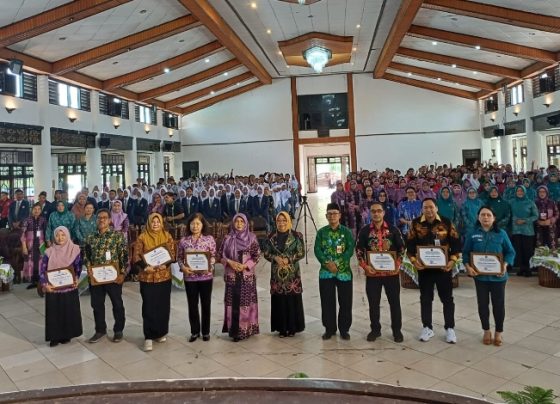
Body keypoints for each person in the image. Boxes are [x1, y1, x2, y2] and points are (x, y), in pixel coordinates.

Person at [406, 198, 461, 344]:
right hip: (424, 269)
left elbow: (456, 244)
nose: (429, 210)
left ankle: (450, 328)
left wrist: (452, 261)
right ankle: (427, 327)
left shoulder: (447, 222)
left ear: (436, 208)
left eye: (431, 207)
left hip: (444, 268)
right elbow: (410, 247)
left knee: (447, 299)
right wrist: (414, 261)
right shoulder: (416, 223)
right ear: (422, 209)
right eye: (425, 208)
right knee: (425, 298)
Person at [463, 207, 515, 347]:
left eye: (488, 215)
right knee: (483, 305)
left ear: (494, 218)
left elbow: (510, 252)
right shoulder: (472, 234)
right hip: (480, 278)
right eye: (482, 215)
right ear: (478, 217)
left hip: (498, 277)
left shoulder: (502, 234)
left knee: (498, 305)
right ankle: (486, 330)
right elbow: (465, 253)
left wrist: (504, 265)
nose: (485, 217)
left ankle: (498, 332)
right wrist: (468, 267)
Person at [356, 202, 405, 343]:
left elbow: (402, 248)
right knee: (373, 303)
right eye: (373, 211)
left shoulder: (393, 230)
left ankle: (397, 331)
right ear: (370, 213)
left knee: (394, 303)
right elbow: (359, 251)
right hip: (373, 274)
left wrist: (397, 264)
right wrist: (365, 266)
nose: (376, 213)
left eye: (379, 211)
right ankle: (375, 330)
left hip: (391, 274)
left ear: (383, 213)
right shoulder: (364, 231)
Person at [84, 209, 128, 343]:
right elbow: (86, 256)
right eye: (99, 218)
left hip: (113, 277)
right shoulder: (90, 237)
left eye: (104, 218)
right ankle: (100, 330)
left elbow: (124, 256)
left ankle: (118, 330)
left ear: (110, 220)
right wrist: (89, 268)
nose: (101, 220)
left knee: (117, 303)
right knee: (96, 304)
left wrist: (123, 273)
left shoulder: (117, 236)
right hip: (96, 279)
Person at [133, 212, 175, 352]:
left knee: (162, 306)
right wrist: (146, 267)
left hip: (163, 277)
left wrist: (166, 265)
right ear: (149, 223)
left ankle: (160, 332)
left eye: (158, 222)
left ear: (161, 223)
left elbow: (172, 254)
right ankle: (148, 337)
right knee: (149, 306)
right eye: (153, 222)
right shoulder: (142, 237)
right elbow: (136, 257)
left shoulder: (167, 236)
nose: (155, 224)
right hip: (147, 278)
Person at [314, 203, 355, 340]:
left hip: (344, 273)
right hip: (326, 273)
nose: (332, 216)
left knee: (345, 302)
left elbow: (350, 249)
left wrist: (337, 263)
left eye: (335, 213)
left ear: (339, 215)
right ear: (326, 216)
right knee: (327, 301)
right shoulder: (321, 232)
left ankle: (344, 329)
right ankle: (329, 329)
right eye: (329, 213)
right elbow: (317, 250)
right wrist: (327, 263)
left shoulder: (346, 232)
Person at [263, 212, 305, 338]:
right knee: (279, 300)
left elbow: (301, 252)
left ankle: (292, 328)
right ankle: (281, 328)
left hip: (292, 275)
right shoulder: (271, 237)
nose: (281, 223)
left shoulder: (296, 236)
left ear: (288, 221)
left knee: (291, 299)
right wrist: (275, 258)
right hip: (277, 275)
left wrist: (289, 259)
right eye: (279, 221)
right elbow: (265, 253)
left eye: (284, 220)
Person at [219, 213, 260, 341]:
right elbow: (220, 255)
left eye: (242, 222)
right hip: (232, 276)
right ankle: (234, 331)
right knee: (232, 303)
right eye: (237, 222)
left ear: (246, 223)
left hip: (246, 276)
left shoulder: (252, 238)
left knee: (245, 303)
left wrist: (245, 266)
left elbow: (257, 256)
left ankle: (246, 329)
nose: (239, 224)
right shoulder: (227, 238)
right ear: (233, 223)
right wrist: (229, 262)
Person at [39, 226, 82, 347]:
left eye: (63, 235)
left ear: (67, 235)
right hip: (53, 288)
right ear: (54, 236)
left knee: (68, 311)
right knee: (54, 312)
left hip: (69, 287)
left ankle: (66, 335)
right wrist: (44, 284)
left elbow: (78, 267)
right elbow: (42, 269)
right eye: (58, 235)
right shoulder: (49, 251)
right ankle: (54, 337)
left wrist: (77, 279)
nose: (60, 238)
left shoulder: (75, 250)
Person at [177, 213, 216, 342]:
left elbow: (214, 256)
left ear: (202, 225)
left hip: (206, 277)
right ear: (189, 225)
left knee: (206, 304)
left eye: (198, 223)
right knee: (192, 305)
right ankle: (194, 331)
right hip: (190, 278)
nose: (195, 226)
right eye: (193, 223)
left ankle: (205, 332)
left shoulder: (209, 239)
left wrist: (209, 265)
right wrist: (182, 267)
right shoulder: (184, 241)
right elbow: (179, 257)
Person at [509, 185, 538, 277]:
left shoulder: (530, 202)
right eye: (518, 191)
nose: (520, 193)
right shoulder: (512, 202)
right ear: (516, 192)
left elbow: (536, 216)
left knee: (528, 250)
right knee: (518, 250)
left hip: (528, 231)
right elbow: (508, 214)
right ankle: (521, 268)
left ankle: (528, 269)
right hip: (516, 230)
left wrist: (525, 220)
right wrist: (515, 220)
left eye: (522, 191)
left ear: (524, 192)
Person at [20, 203, 47, 294]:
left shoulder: (43, 220)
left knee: (40, 262)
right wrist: (24, 246)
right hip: (30, 244)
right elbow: (22, 234)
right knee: (31, 261)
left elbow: (46, 233)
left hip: (41, 244)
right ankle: (33, 281)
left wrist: (47, 245)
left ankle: (39, 281)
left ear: (41, 210)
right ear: (32, 210)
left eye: (39, 209)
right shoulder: (27, 220)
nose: (37, 211)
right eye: (35, 209)